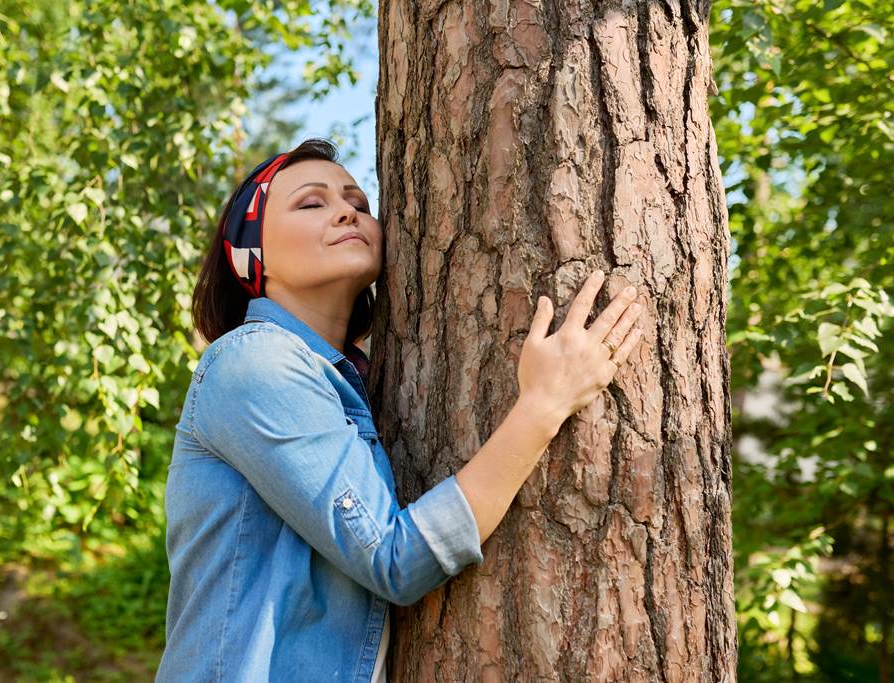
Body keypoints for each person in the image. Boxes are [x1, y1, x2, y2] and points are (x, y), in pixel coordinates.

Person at [156, 138, 645, 681]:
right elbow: (393, 557)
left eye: (359, 204)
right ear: (251, 253)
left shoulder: (344, 380)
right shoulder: (254, 363)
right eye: (310, 203)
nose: (347, 210)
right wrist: (544, 404)